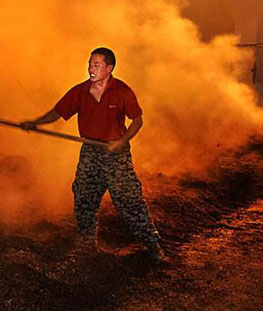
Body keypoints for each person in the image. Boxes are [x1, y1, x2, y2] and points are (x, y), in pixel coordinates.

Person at [20, 47, 165, 261]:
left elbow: (137, 120)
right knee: (83, 196)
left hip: (116, 154)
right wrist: (36, 122)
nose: (91, 68)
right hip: (90, 151)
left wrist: (122, 141)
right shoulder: (80, 92)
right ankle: (86, 244)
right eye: (90, 64)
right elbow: (58, 112)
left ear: (109, 68)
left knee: (129, 200)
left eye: (96, 65)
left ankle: (153, 245)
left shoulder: (122, 91)